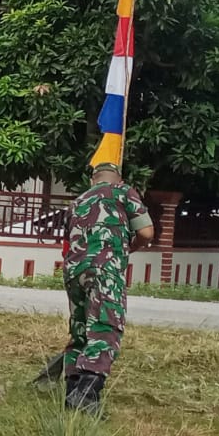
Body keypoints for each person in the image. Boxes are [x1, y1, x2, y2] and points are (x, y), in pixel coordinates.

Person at [40, 161, 155, 413]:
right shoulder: (123, 191)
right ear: (117, 178)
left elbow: (70, 239)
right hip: (106, 268)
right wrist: (127, 248)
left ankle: (71, 393)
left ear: (93, 180)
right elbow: (146, 232)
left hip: (74, 271)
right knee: (105, 327)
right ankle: (87, 394)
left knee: (80, 329)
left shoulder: (77, 201)